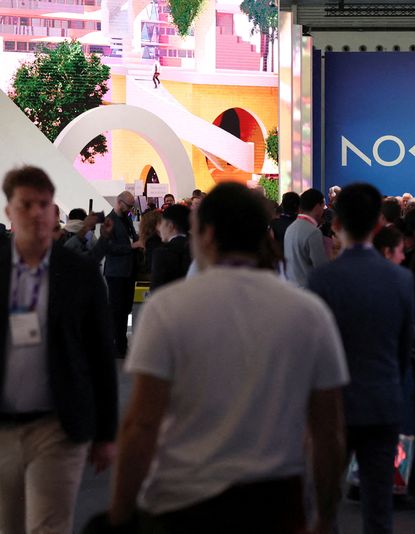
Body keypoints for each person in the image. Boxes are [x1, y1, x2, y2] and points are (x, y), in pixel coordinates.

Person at [106, 182, 349, 533]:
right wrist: (326, 516)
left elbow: (141, 425)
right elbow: (328, 432)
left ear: (205, 235)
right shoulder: (308, 314)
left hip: (180, 502)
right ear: (263, 234)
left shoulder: (167, 309)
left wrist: (120, 511)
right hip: (275, 504)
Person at [0, 166, 117, 533]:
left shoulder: (80, 274)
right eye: (26, 204)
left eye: (44, 204)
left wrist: (106, 434)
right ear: (9, 212)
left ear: (54, 212)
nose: (36, 212)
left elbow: (101, 356)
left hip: (58, 426)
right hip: (2, 428)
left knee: (48, 526)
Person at [308, 183, 415, 534]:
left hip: (332, 405)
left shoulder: (322, 279)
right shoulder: (401, 279)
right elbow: (402, 347)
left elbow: (315, 351)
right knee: (379, 506)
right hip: (383, 399)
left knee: (325, 506)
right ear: (379, 225)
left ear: (336, 222)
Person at [94, 190, 143, 357]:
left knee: (125, 309)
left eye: (132, 206)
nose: (130, 209)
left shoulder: (126, 219)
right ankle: (117, 346)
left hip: (128, 271)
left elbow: (131, 237)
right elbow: (108, 248)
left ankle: (121, 345)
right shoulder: (109, 221)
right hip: (116, 272)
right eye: (128, 206)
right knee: (117, 310)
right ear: (119, 202)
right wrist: (131, 247)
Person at [283, 189, 329, 287]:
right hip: (308, 290)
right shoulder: (313, 232)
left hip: (292, 287)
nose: (323, 210)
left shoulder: (291, 228)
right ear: (317, 206)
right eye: (322, 205)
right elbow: (321, 267)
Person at [150, 204, 191, 291]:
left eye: (161, 223)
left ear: (170, 226)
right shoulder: (197, 248)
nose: (159, 228)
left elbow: (156, 291)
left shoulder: (162, 253)